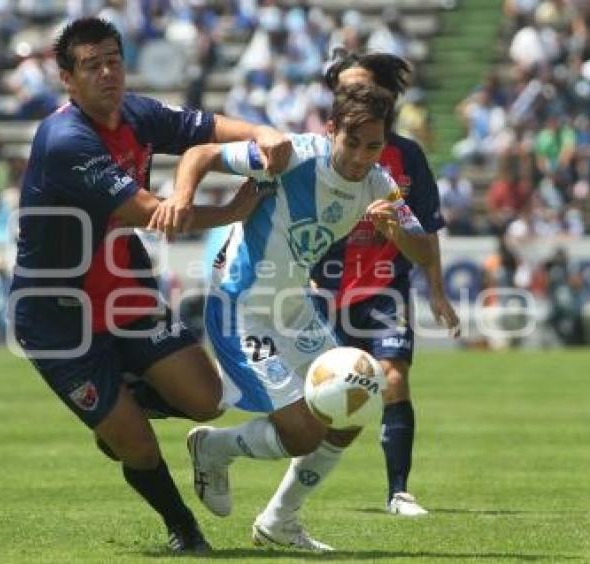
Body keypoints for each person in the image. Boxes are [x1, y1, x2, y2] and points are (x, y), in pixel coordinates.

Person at [7, 18, 291, 554]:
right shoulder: (65, 140)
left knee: (207, 402)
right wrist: (230, 211)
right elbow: (151, 213)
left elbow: (206, 127)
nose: (107, 72)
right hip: (56, 315)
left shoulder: (136, 112)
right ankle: (183, 529)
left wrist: (262, 132)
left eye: (113, 59)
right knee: (135, 444)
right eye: (91, 65)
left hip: (126, 290)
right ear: (67, 79)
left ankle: (125, 395)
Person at [148, 82, 433, 551]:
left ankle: (278, 520)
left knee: (352, 405)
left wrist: (396, 232)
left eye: (373, 146)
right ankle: (213, 448)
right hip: (241, 304)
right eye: (353, 142)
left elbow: (422, 250)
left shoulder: (380, 185)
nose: (361, 156)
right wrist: (181, 196)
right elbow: (199, 155)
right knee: (301, 432)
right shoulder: (294, 155)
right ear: (331, 130)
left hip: (293, 306)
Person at [283, 51, 459, 528]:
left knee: (393, 379)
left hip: (384, 292)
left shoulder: (404, 157)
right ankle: (279, 496)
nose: (350, 94)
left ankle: (398, 491)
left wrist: (437, 291)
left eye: (358, 86)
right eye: (342, 88)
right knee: (316, 408)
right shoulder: (315, 153)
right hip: (322, 294)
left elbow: (427, 233)